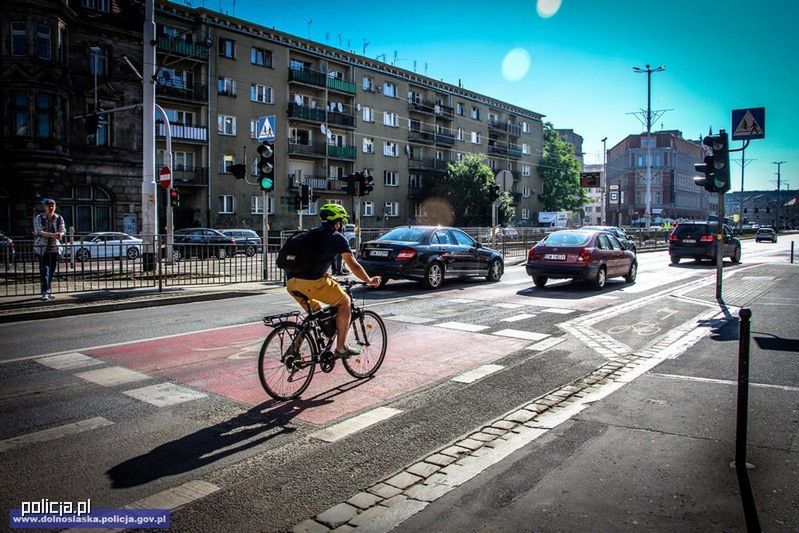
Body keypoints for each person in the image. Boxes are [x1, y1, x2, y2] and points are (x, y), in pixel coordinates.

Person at [286, 204, 380, 357]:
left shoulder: (311, 234)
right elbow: (354, 266)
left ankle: (294, 350)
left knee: (315, 314)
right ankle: (341, 348)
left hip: (292, 284)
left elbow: (309, 259)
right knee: (345, 302)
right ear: (338, 222)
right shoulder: (336, 238)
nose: (342, 225)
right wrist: (369, 280)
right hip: (312, 283)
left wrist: (322, 273)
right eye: (342, 222)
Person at [33, 198, 65, 301]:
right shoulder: (39, 217)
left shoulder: (59, 218)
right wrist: (53, 235)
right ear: (45, 207)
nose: (51, 208)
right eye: (49, 206)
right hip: (42, 249)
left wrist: (60, 234)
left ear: (55, 207)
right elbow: (39, 231)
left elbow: (63, 230)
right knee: (45, 271)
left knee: (51, 272)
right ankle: (45, 292)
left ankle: (48, 290)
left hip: (54, 249)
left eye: (53, 206)